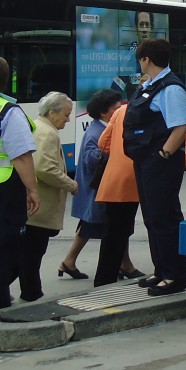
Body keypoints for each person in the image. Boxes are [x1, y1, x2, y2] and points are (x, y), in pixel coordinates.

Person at [124, 38, 186, 296]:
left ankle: (174, 276)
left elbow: (181, 125)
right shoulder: (150, 85)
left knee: (165, 218)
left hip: (159, 161)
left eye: (139, 60)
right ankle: (161, 270)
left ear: (146, 60)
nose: (139, 64)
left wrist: (163, 154)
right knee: (152, 217)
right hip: (144, 160)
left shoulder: (171, 88)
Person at [58, 89, 126, 280]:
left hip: (98, 190)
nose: (120, 110)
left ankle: (69, 261)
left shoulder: (102, 127)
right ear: (105, 112)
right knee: (112, 226)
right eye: (116, 108)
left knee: (100, 226)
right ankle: (124, 265)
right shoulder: (97, 131)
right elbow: (91, 159)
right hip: (96, 189)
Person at [18, 92, 77, 302]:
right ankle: (31, 294)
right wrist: (71, 184)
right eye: (66, 115)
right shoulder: (47, 133)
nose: (68, 120)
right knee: (33, 253)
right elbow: (45, 168)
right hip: (40, 207)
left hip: (34, 206)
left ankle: (31, 291)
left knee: (29, 253)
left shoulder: (39, 126)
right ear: (52, 112)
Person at [0, 58, 39, 309]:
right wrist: (33, 189)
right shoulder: (8, 111)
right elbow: (21, 155)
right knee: (8, 248)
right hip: (5, 191)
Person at [94, 101, 145, 286]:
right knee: (121, 230)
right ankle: (106, 280)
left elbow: (102, 143)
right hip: (134, 177)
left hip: (114, 178)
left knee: (113, 232)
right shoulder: (152, 110)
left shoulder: (121, 111)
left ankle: (105, 278)